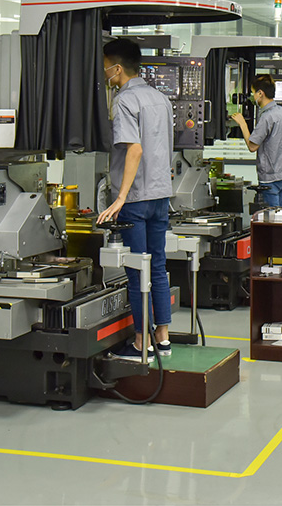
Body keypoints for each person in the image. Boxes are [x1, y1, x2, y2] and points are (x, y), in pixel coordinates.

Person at [97, 38, 174, 362]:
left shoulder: (125, 100)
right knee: (157, 266)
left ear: (117, 68)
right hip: (160, 195)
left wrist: (120, 198)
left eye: (105, 68)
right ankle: (163, 338)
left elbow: (135, 149)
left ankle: (142, 343)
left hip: (136, 199)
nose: (104, 74)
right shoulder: (161, 98)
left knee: (137, 270)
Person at [230, 74, 282, 208]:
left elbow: (252, 147)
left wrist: (242, 124)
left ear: (260, 93)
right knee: (280, 214)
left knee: (272, 217)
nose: (252, 96)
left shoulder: (267, 117)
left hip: (270, 177)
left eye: (253, 93)